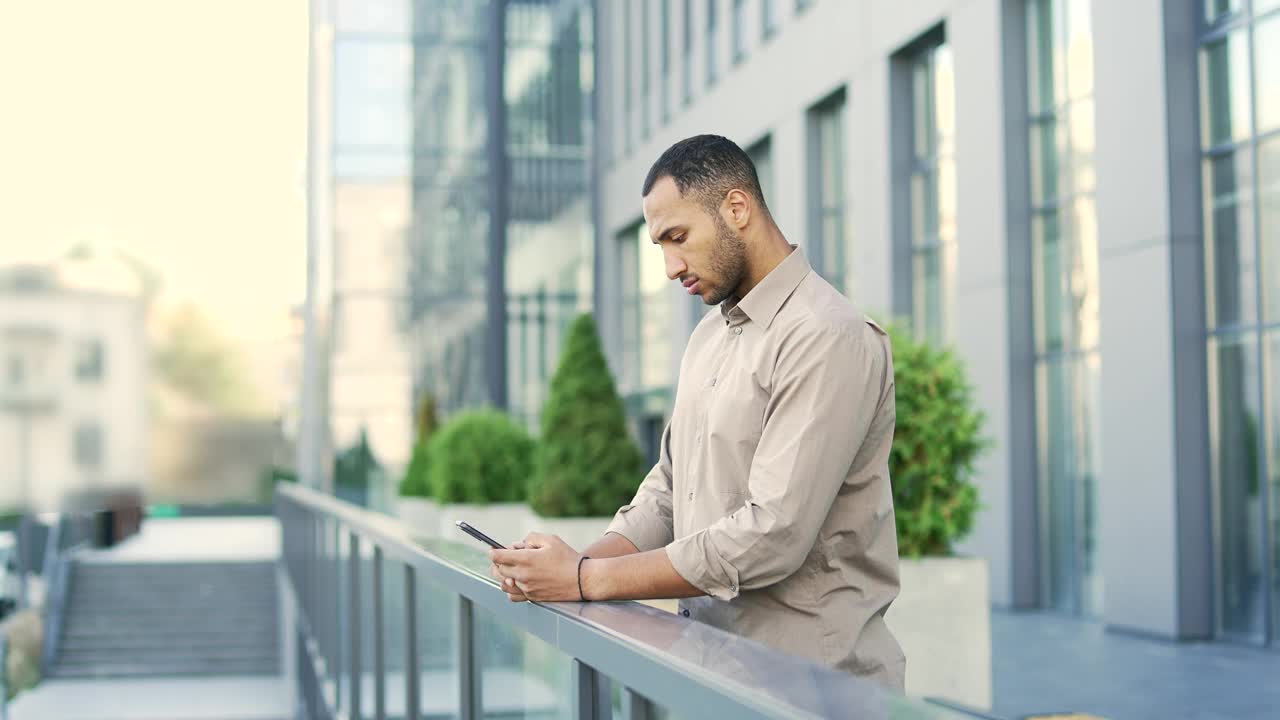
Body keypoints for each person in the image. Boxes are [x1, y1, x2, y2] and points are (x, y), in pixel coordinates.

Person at [490, 134, 905, 690]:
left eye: (677, 237)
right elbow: (667, 488)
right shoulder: (709, 336)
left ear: (737, 208)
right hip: (715, 672)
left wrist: (589, 579)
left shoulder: (826, 336)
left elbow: (772, 534)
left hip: (813, 691)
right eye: (659, 245)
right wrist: (567, 570)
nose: (668, 266)